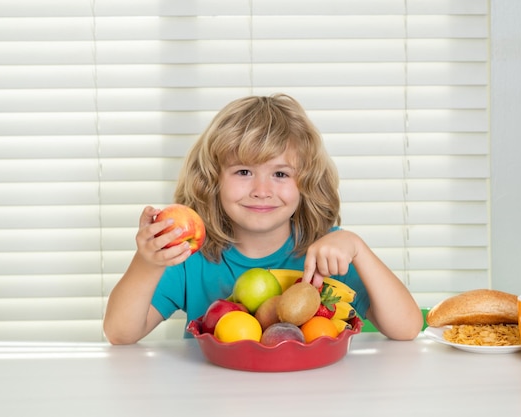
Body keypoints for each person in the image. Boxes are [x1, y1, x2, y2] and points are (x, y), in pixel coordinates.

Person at [103, 94, 423, 344]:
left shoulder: (327, 252)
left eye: (281, 173)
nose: (261, 190)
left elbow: (407, 328)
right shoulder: (190, 256)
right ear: (212, 179)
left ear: (306, 183)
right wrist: (150, 261)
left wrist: (358, 248)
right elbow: (120, 333)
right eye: (243, 171)